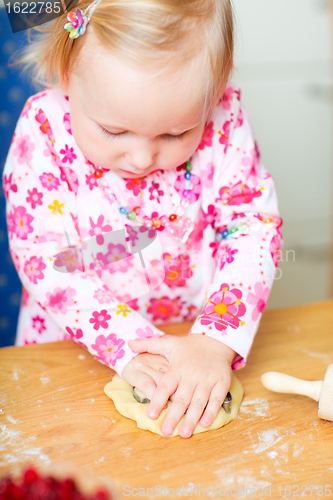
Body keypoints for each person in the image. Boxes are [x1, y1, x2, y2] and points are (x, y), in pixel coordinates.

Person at [3, 0, 282, 438]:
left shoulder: (223, 121)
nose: (141, 157)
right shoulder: (44, 131)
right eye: (114, 131)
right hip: (64, 355)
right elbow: (44, 258)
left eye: (175, 133)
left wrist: (215, 340)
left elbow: (252, 227)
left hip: (192, 341)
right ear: (67, 73)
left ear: (218, 88)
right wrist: (129, 347)